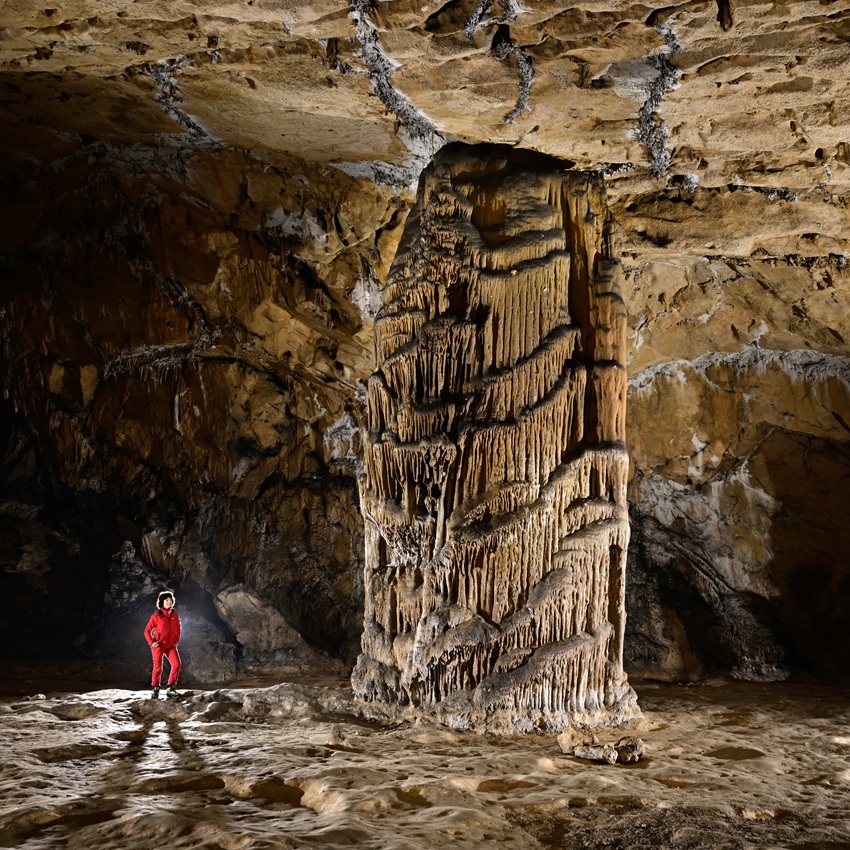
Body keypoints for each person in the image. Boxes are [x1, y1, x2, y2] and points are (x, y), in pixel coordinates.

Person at [144, 590, 182, 699]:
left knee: (177, 665)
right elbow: (147, 631)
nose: (169, 602)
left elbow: (178, 629)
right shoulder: (156, 616)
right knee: (158, 668)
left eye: (170, 600)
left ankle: (170, 688)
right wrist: (152, 642)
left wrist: (177, 640)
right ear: (161, 602)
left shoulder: (174, 614)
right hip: (159, 646)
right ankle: (155, 689)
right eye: (166, 600)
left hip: (170, 646)